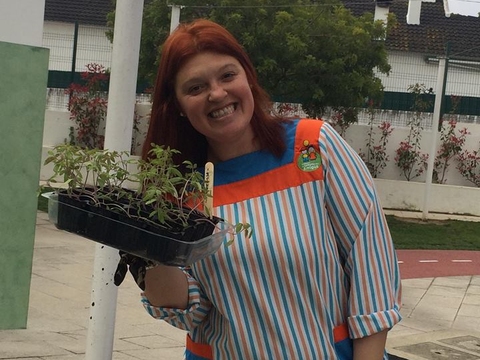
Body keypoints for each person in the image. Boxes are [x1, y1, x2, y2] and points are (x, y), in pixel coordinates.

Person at [133, 18, 402, 359]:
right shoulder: (179, 190)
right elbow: (186, 310)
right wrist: (143, 248)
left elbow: (371, 265)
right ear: (179, 107)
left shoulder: (312, 147)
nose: (217, 93)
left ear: (248, 76)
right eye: (196, 88)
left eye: (228, 75)